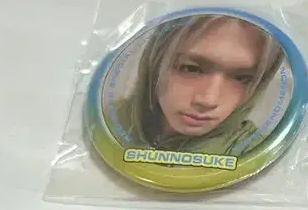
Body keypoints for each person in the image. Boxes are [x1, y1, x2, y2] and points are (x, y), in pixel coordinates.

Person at [113, 15, 285, 157]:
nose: (208, 100)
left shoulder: (254, 154)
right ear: (156, 62)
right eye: (191, 68)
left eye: (242, 78)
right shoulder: (108, 122)